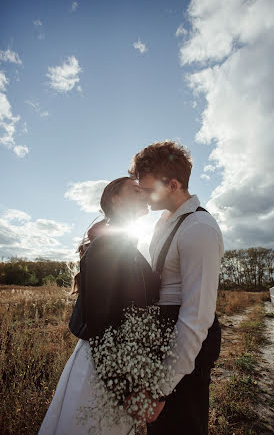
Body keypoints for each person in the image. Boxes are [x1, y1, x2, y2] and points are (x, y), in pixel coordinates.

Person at [38, 177, 162, 435]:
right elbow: (101, 327)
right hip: (98, 369)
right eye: (135, 190)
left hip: (118, 365)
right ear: (116, 199)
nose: (144, 194)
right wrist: (126, 390)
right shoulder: (107, 246)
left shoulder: (129, 246)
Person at [129, 140, 224, 435]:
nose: (141, 195)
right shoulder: (163, 222)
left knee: (183, 426)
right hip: (162, 333)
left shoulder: (199, 229)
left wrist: (161, 388)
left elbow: (196, 317)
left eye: (146, 189)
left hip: (185, 342)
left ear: (172, 185)